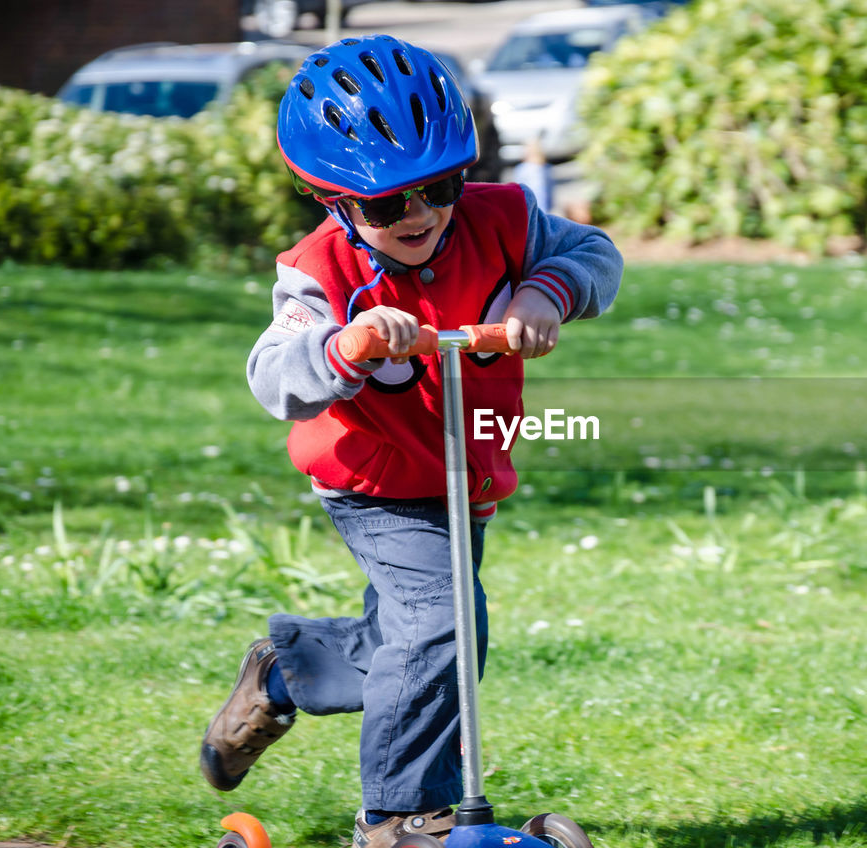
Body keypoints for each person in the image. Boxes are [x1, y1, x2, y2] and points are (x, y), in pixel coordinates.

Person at [197, 34, 622, 848]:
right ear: (334, 201)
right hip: (374, 481)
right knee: (443, 625)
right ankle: (397, 815)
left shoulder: (504, 219)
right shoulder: (318, 271)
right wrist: (346, 346)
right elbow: (272, 371)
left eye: (438, 187)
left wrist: (547, 290)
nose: (420, 215)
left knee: (415, 636)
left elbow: (595, 252)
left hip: (466, 473)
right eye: (388, 206)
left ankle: (283, 674)